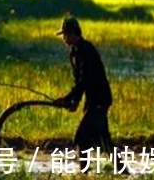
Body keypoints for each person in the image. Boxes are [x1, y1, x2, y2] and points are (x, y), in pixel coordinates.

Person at [53, 17, 129, 175]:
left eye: (66, 34)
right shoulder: (73, 53)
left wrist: (67, 98)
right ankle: (124, 173)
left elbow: (84, 80)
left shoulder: (87, 51)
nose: (64, 38)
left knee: (81, 138)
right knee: (105, 142)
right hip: (92, 100)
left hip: (99, 100)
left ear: (74, 33)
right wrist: (74, 101)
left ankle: (84, 174)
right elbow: (79, 81)